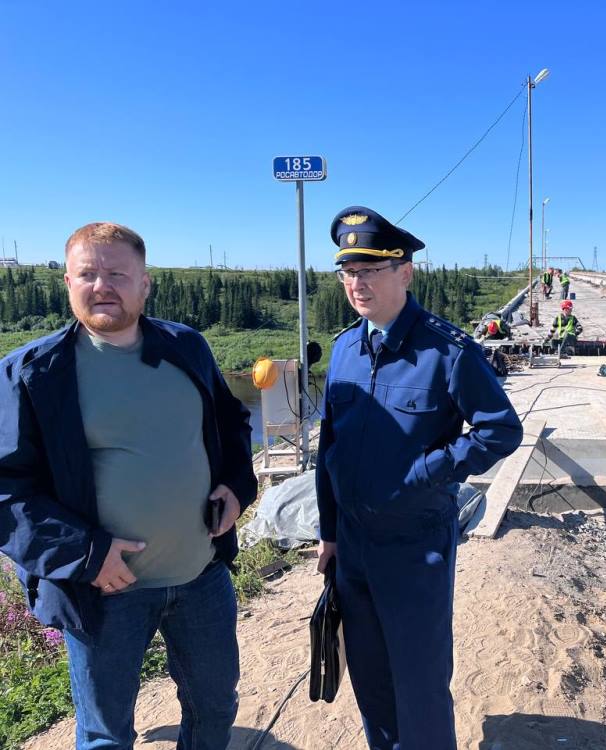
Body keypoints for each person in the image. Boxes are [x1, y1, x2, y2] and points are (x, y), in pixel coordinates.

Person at [0, 222, 257, 750]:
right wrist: (87, 554)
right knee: (105, 733)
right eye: (88, 274)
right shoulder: (34, 374)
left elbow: (231, 424)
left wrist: (236, 485)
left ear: (145, 283)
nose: (103, 286)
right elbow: (7, 491)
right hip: (103, 593)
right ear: (67, 282)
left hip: (200, 577)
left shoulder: (187, 347)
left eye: (117, 273)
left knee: (215, 707)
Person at [316, 206, 522, 750]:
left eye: (371, 270)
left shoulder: (446, 351)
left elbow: (500, 431)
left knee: (419, 684)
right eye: (348, 272)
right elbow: (328, 449)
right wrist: (330, 533)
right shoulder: (344, 350)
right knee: (370, 680)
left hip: (413, 548)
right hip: (354, 548)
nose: (357, 283)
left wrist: (425, 472)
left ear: (404, 272)